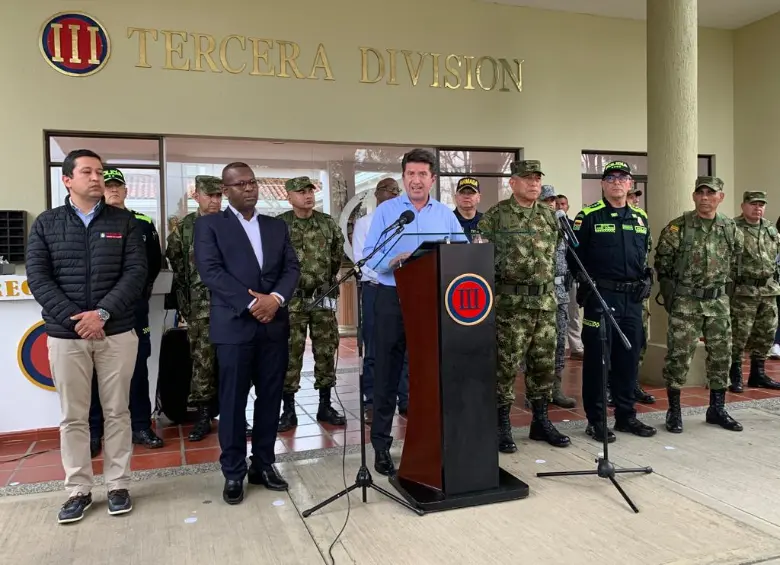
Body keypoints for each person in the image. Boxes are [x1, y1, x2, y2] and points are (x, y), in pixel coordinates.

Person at [26, 149, 147, 523]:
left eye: (100, 172)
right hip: (67, 334)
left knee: (117, 411)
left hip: (117, 331)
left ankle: (118, 484)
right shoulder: (47, 224)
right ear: (67, 180)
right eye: (87, 172)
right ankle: (78, 489)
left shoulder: (124, 223)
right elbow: (39, 278)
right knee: (74, 416)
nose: (96, 178)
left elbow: (136, 272)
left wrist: (103, 314)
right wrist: (77, 319)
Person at [194, 162, 300, 505]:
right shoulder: (209, 226)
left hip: (274, 326)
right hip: (235, 326)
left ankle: (264, 464)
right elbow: (211, 271)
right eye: (240, 184)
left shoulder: (276, 226)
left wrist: (276, 299)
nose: (249, 188)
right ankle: (234, 471)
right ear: (225, 191)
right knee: (233, 402)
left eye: (252, 182)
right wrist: (251, 303)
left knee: (270, 398)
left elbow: (291, 268)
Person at [363, 148, 466, 475]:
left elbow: (461, 252)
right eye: (411, 174)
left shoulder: (445, 214)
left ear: (432, 179)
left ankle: (432, 444)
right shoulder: (387, 212)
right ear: (404, 178)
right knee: (387, 374)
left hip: (433, 302)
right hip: (393, 298)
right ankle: (381, 446)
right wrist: (392, 261)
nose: (417, 180)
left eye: (423, 174)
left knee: (429, 374)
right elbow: (369, 257)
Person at [478, 162, 571, 453]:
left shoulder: (549, 215)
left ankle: (540, 422)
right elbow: (480, 256)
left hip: (544, 302)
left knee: (543, 365)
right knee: (505, 367)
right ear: (513, 183)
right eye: (527, 179)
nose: (534, 184)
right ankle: (501, 425)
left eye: (537, 179)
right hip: (510, 304)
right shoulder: (496, 217)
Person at [571, 161, 656, 443]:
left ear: (630, 184)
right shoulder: (588, 217)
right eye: (611, 178)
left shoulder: (641, 217)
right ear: (603, 184)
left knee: (628, 358)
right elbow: (574, 259)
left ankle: (626, 416)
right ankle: (596, 421)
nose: (617, 182)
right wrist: (587, 287)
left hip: (632, 298)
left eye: (623, 178)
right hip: (601, 296)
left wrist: (646, 278)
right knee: (597, 360)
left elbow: (643, 254)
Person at [655, 176, 744, 434]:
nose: (705, 197)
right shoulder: (678, 227)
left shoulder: (729, 228)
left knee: (721, 355)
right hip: (687, 302)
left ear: (720, 197)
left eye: (711, 193)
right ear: (694, 196)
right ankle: (674, 410)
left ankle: (717, 408)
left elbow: (735, 262)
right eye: (700, 193)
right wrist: (675, 296)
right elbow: (663, 264)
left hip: (718, 302)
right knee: (678, 356)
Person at [89, 168, 163, 455]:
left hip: (133, 309)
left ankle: (141, 426)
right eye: (108, 186)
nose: (114, 190)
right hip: (95, 310)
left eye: (118, 186)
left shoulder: (142, 223)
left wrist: (134, 294)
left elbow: (153, 264)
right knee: (94, 370)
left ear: (126, 190)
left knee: (137, 367)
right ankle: (95, 432)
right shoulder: (90, 223)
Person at [277, 177, 347, 431]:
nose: (308, 195)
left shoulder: (326, 223)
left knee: (326, 351)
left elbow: (336, 255)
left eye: (310, 191)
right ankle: (288, 410)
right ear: (289, 197)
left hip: (322, 297)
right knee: (289, 354)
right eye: (301, 191)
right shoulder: (279, 225)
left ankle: (325, 405)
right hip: (291, 300)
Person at [165, 176, 224, 442]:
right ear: (196, 196)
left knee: (233, 363)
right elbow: (177, 268)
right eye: (209, 195)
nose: (214, 201)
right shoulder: (183, 229)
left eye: (218, 196)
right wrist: (184, 306)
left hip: (230, 306)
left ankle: (236, 414)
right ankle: (203, 416)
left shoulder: (232, 224)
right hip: (199, 308)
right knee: (202, 362)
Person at [351, 178, 409, 422]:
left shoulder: (406, 222)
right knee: (375, 346)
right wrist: (390, 271)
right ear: (377, 194)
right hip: (376, 289)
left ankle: (405, 399)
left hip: (405, 290)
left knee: (404, 347)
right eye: (389, 190)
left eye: (397, 191)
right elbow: (362, 261)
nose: (394, 194)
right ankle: (372, 401)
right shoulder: (365, 223)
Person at [728, 191, 780, 392]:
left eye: (761, 204)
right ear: (743, 206)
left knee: (765, 333)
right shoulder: (733, 227)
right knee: (739, 335)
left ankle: (758, 374)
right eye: (753, 204)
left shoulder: (770, 229)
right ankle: (736, 374)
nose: (757, 208)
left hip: (768, 290)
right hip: (743, 291)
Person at [538, 185, 576, 408]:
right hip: (539, 294)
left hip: (560, 294)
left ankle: (556, 389)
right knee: (538, 346)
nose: (551, 204)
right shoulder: (532, 226)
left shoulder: (563, 227)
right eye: (546, 201)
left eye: (553, 200)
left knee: (559, 343)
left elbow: (572, 258)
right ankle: (537, 392)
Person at [556, 194, 584, 360]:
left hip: (570, 277)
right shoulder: (548, 225)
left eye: (563, 204)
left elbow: (578, 251)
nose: (560, 206)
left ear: (568, 206)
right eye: (557, 203)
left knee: (572, 313)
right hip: (554, 278)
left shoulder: (574, 226)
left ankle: (576, 346)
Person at [453, 177, 483, 242]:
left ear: (479, 198)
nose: (466, 196)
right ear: (456, 197)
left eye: (471, 193)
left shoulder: (488, 221)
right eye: (462, 192)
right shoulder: (448, 220)